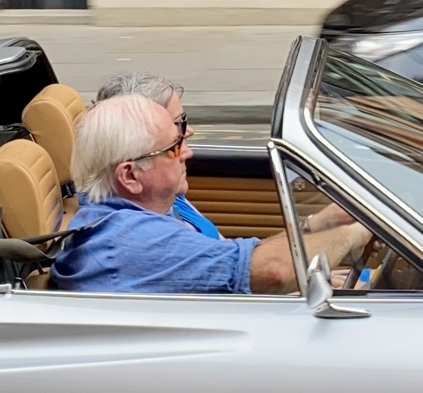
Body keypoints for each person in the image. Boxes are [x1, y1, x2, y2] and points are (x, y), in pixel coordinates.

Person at [51, 94, 370, 295]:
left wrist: (317, 226)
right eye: (173, 148)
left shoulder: (124, 222)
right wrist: (356, 231)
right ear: (131, 176)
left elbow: (228, 258)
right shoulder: (130, 241)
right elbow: (275, 271)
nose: (187, 152)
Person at [93, 72, 222, 239]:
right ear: (130, 174)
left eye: (184, 119)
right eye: (176, 125)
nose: (189, 131)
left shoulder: (166, 194)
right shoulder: (143, 236)